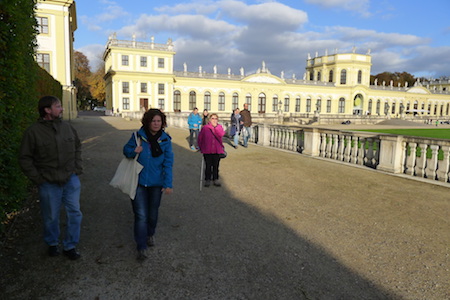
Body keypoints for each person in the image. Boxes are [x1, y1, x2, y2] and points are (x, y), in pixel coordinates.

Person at [19, 96, 83, 260]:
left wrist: (77, 168)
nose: (61, 109)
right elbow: (25, 158)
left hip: (70, 179)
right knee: (51, 216)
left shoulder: (68, 128)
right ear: (47, 110)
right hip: (48, 182)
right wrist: (38, 179)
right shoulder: (33, 132)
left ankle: (70, 245)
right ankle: (52, 243)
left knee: (75, 213)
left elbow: (77, 147)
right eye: (58, 106)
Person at [123, 109, 173, 261]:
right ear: (148, 122)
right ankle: (141, 246)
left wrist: (168, 183)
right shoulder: (138, 136)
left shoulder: (165, 140)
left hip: (156, 183)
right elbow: (125, 151)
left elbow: (168, 163)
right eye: (153, 121)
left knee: (152, 214)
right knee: (141, 215)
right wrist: (133, 150)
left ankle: (150, 234)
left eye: (159, 121)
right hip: (138, 181)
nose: (156, 124)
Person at [198, 113, 225, 187]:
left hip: (217, 150)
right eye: (213, 118)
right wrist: (201, 147)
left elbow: (221, 134)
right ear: (210, 119)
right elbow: (200, 138)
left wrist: (215, 128)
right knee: (208, 166)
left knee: (216, 166)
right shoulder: (205, 128)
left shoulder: (219, 127)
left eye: (216, 118)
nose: (214, 120)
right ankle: (207, 179)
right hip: (207, 150)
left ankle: (215, 179)